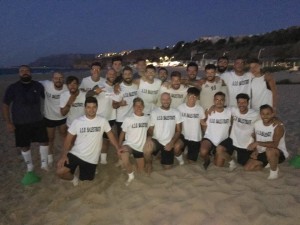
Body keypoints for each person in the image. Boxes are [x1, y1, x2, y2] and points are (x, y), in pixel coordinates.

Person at [56, 96, 121, 186]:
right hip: (76, 153)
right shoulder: (77, 121)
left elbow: (111, 135)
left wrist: (118, 148)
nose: (91, 109)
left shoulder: (102, 121)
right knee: (60, 172)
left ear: (97, 108)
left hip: (91, 159)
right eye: (89, 107)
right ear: (85, 108)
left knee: (86, 180)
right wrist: (64, 155)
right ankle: (73, 178)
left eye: (94, 107)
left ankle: (91, 169)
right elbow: (68, 139)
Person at [2, 65, 49, 172]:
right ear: (19, 73)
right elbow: (5, 105)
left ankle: (44, 164)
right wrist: (8, 122)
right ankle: (30, 166)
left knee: (44, 141)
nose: (24, 72)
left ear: (30, 72)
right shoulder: (12, 87)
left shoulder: (38, 86)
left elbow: (48, 98)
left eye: (27, 70)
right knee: (24, 146)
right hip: (20, 122)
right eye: (22, 71)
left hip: (37, 119)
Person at [216, 93, 260, 171]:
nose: (241, 104)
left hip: (246, 144)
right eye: (239, 102)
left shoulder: (255, 114)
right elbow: (221, 106)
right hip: (233, 140)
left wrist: (255, 145)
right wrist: (213, 107)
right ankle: (232, 162)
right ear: (237, 103)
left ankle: (238, 155)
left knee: (246, 166)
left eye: (244, 102)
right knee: (219, 156)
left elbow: (267, 119)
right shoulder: (234, 110)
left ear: (248, 103)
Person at [244, 104, 289, 179]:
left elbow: (275, 144)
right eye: (263, 114)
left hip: (277, 152)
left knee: (270, 150)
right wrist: (255, 150)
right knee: (247, 168)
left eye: (268, 114)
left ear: (272, 114)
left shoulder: (278, 126)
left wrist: (257, 143)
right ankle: (269, 162)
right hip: (262, 151)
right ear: (260, 114)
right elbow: (255, 137)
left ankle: (274, 171)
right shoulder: (257, 124)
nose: (265, 116)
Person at [144, 93, 182, 173]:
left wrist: (172, 143)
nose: (166, 101)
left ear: (170, 100)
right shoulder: (154, 112)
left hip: (168, 142)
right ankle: (149, 163)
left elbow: (178, 131)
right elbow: (150, 128)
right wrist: (149, 138)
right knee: (147, 148)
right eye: (164, 99)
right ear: (161, 100)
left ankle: (160, 154)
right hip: (157, 140)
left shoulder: (176, 112)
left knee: (167, 168)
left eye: (168, 99)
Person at [86, 68, 117, 164]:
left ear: (115, 76)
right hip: (98, 118)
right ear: (106, 75)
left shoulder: (116, 87)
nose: (111, 75)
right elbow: (88, 95)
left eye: (113, 74)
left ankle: (103, 159)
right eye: (110, 73)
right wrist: (95, 92)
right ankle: (91, 159)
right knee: (95, 140)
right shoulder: (100, 85)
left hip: (111, 117)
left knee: (106, 139)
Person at [119, 97, 149, 185]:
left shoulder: (147, 118)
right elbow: (122, 133)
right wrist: (119, 147)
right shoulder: (128, 119)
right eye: (136, 105)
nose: (138, 107)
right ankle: (130, 176)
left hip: (141, 148)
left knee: (141, 171)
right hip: (129, 145)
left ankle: (128, 164)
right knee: (124, 155)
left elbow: (150, 130)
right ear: (133, 107)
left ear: (143, 106)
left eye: (140, 105)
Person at [40, 72, 68, 166]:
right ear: (52, 79)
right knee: (50, 139)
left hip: (63, 117)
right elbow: (31, 83)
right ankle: (50, 157)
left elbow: (79, 89)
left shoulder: (66, 87)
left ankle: (66, 155)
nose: (58, 80)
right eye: (56, 78)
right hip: (49, 117)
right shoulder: (46, 84)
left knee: (64, 137)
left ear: (63, 79)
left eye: (60, 78)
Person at [200, 92, 232, 170]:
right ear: (214, 101)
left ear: (224, 101)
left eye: (221, 100)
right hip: (209, 138)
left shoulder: (229, 112)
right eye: (217, 100)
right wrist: (203, 125)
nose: (219, 102)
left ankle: (215, 153)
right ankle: (207, 159)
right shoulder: (208, 111)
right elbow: (203, 122)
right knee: (203, 152)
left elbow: (231, 125)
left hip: (222, 140)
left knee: (218, 165)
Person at [175, 87, 206, 164]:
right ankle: (181, 160)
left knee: (191, 162)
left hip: (195, 137)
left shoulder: (200, 109)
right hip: (183, 135)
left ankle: (188, 151)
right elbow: (176, 122)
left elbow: (202, 123)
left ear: (197, 98)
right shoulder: (180, 108)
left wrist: (204, 137)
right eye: (191, 95)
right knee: (176, 148)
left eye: (195, 96)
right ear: (187, 95)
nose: (192, 98)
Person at [112, 66, 138, 137]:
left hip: (133, 118)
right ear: (122, 75)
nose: (128, 76)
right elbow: (114, 105)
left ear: (132, 75)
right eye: (125, 74)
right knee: (122, 141)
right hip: (121, 120)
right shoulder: (118, 88)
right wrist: (120, 103)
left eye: (129, 74)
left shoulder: (136, 86)